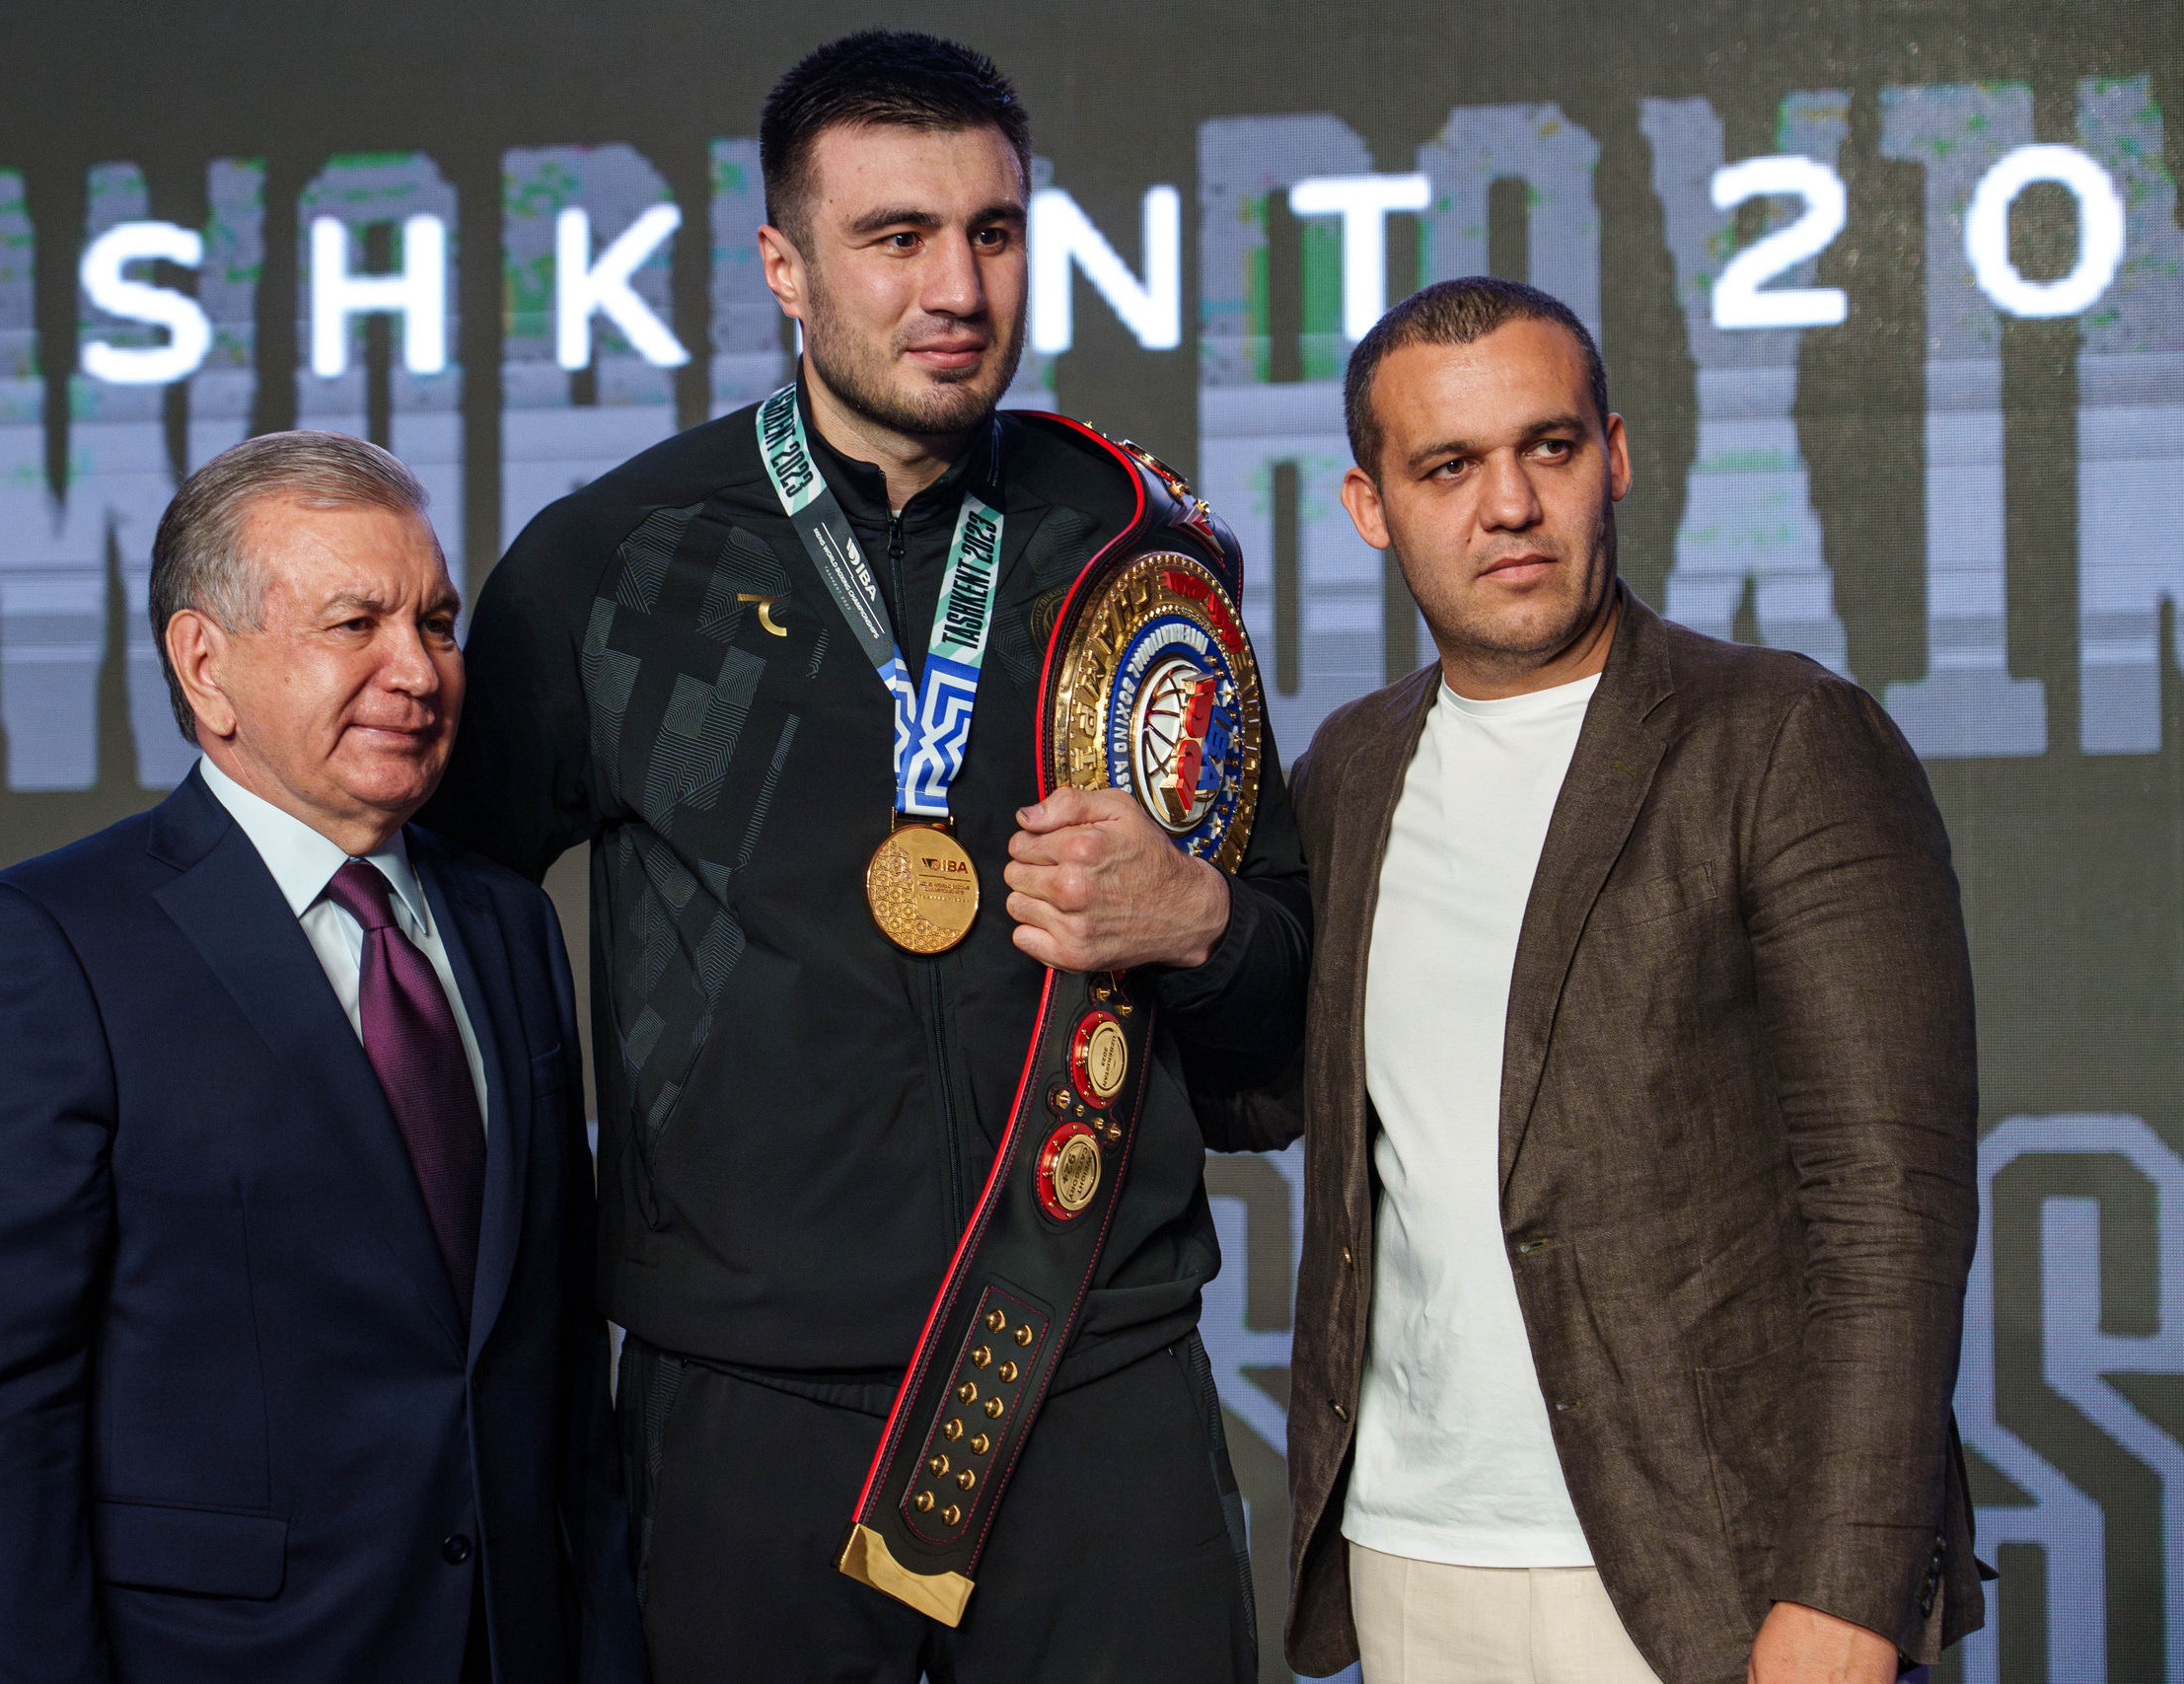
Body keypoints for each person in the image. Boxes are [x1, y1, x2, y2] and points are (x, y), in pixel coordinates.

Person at [420, 30, 1308, 1684]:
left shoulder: (1133, 547)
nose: (954, 287)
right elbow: (444, 933)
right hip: (746, 1408)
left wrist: (1198, 919)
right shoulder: (611, 566)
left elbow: (1281, 1016)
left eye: (991, 231)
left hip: (1092, 1383)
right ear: (785, 265)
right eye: (894, 238)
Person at [1213, 277, 1986, 1684]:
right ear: (1371, 505)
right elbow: (1270, 1094)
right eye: (1448, 465)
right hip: (1410, 1551)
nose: (1507, 504)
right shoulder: (1350, 765)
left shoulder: (1784, 736)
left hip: (1712, 1570)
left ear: (1615, 456)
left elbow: (1896, 1207)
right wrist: (1178, 918)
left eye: (1547, 447)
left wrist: (1850, 1587)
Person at [0, 432, 637, 1683]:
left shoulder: (509, 923)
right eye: (357, 623)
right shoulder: (49, 945)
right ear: (206, 665)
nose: (420, 671)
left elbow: (556, 1366)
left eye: (439, 623)